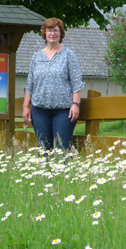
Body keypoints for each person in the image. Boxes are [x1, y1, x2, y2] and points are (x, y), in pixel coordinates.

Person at [22, 18, 84, 154]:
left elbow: (76, 82)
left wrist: (76, 104)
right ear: (44, 33)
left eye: (56, 30)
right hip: (39, 111)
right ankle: (44, 175)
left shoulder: (69, 55)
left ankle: (61, 175)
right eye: (49, 30)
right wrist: (26, 106)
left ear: (61, 34)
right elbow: (30, 84)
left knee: (61, 149)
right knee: (43, 149)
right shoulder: (36, 57)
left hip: (64, 111)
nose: (52, 34)